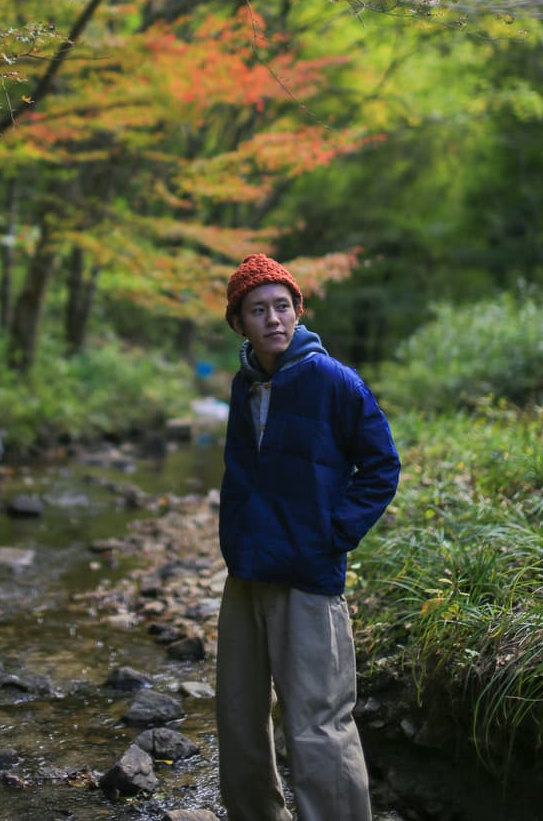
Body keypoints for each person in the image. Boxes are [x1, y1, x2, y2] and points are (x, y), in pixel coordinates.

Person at [216, 253, 400, 821]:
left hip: (308, 576)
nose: (273, 319)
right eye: (257, 310)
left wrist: (333, 534)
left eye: (282, 307)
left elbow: (382, 466)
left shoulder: (333, 380)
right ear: (239, 322)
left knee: (318, 721)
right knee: (239, 716)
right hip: (246, 573)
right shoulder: (243, 385)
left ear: (298, 311)